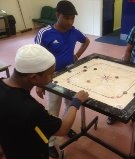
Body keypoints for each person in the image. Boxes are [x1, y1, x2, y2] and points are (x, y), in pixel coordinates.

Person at [0, 44, 89, 159]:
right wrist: (76, 101)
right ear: (34, 78)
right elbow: (64, 129)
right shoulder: (31, 109)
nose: (53, 76)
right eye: (50, 74)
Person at [34, 0, 90, 158]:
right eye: (67, 18)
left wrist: (77, 55)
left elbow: (86, 41)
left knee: (70, 104)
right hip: (52, 78)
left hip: (71, 75)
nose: (70, 22)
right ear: (57, 15)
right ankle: (50, 142)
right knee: (53, 109)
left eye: (73, 18)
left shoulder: (74, 31)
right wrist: (39, 82)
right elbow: (37, 56)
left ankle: (65, 127)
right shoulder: (45, 33)